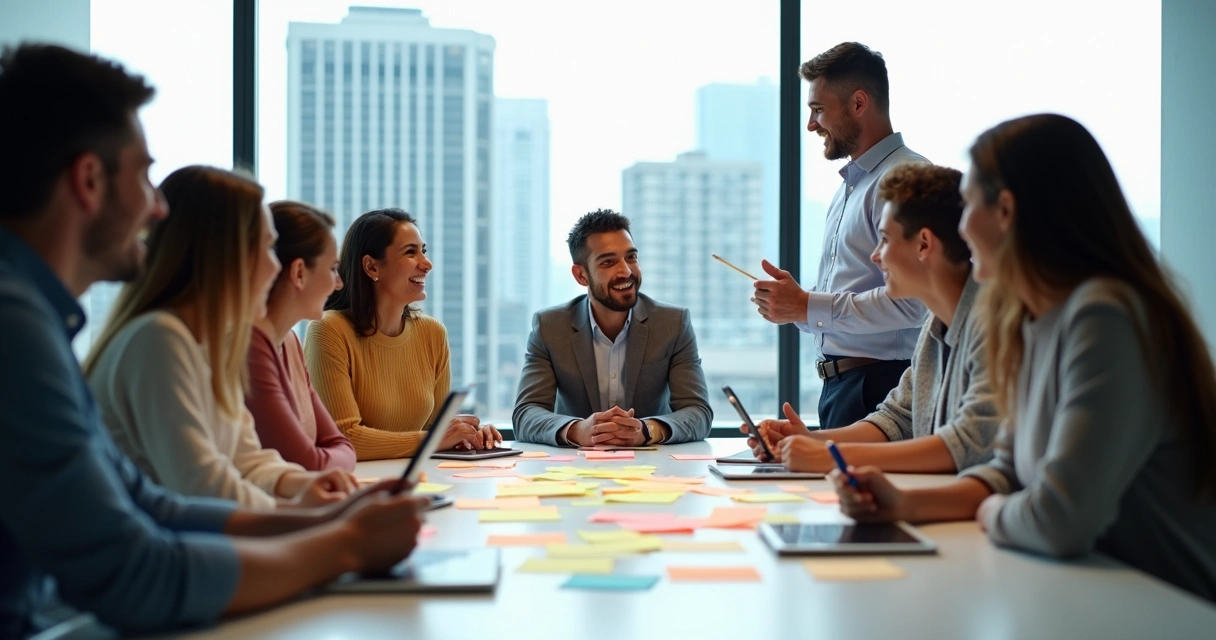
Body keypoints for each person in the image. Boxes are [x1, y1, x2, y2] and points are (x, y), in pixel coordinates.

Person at [0, 43, 426, 638]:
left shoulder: (38, 320)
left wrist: (330, 519)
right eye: (145, 176)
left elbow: (153, 506)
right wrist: (344, 546)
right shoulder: (20, 329)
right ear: (89, 181)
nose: (156, 209)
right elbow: (138, 572)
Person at [831, 114, 1216, 602]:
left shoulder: (1104, 317)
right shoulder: (1031, 321)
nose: (962, 228)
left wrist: (990, 511)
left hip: (1168, 608)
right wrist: (903, 502)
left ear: (1006, 211)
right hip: (1088, 596)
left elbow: (1058, 519)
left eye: (969, 205)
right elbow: (1005, 472)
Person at [85, 165, 355, 510]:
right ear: (226, 255)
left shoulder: (205, 346)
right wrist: (306, 513)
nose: (276, 269)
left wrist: (306, 482)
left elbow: (247, 460)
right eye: (269, 249)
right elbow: (201, 485)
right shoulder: (159, 339)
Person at [748, 164, 998, 473]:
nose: (875, 255)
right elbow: (896, 419)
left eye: (884, 239)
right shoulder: (935, 327)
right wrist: (813, 440)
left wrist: (833, 456)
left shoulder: (994, 324)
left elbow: (968, 443)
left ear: (923, 244)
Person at [751, 42, 929, 429]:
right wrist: (795, 304)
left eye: (817, 110)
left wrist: (806, 306)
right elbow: (852, 291)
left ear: (859, 103)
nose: (811, 125)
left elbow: (914, 303)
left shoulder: (904, 180)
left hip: (883, 388)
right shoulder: (850, 187)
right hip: (846, 387)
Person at [305, 208, 500, 460]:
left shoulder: (432, 333)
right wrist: (434, 438)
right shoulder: (328, 330)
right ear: (371, 266)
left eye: (424, 251)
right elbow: (344, 438)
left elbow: (434, 430)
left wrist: (466, 434)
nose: (427, 264)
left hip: (415, 478)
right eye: (411, 252)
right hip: (356, 484)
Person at [514, 209, 712, 446]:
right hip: (574, 471)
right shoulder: (550, 327)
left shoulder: (673, 324)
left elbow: (698, 412)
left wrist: (646, 430)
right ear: (581, 275)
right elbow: (525, 414)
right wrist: (579, 430)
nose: (626, 271)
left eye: (631, 257)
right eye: (608, 262)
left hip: (653, 470)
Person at [246, 200, 356, 471]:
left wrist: (328, 459)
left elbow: (339, 443)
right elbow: (309, 462)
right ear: (299, 273)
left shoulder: (291, 341)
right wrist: (331, 460)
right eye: (332, 269)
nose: (338, 283)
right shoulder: (250, 345)